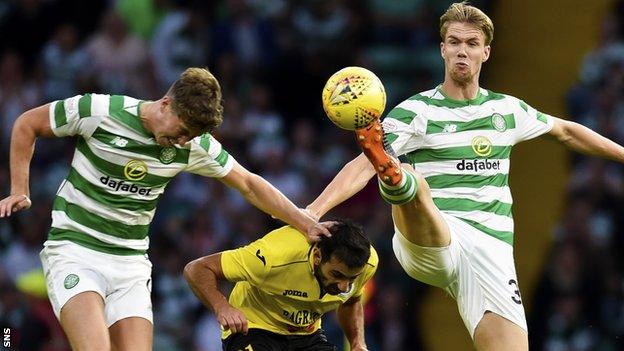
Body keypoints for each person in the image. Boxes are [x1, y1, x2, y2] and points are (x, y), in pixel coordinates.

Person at [306, 3, 624, 351]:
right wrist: (314, 211)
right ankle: (396, 177)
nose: (462, 50)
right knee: (409, 179)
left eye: (472, 43)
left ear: (485, 52)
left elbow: (565, 131)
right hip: (433, 238)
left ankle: (396, 175)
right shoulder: (418, 111)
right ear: (442, 48)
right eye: (454, 41)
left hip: (490, 250)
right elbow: (360, 165)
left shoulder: (506, 110)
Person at [0, 67, 331, 351]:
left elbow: (248, 183)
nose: (184, 141)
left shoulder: (193, 145)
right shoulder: (99, 111)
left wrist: (303, 223)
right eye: (183, 131)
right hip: (75, 250)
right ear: (166, 104)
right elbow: (28, 123)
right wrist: (19, 188)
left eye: (192, 136)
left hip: (130, 264)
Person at [184, 220, 377, 351]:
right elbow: (197, 268)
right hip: (254, 328)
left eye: (351, 280)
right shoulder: (272, 257)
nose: (344, 286)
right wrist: (221, 306)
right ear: (318, 256)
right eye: (337, 275)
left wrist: (357, 343)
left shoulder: (366, 264)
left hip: (307, 335)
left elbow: (351, 301)